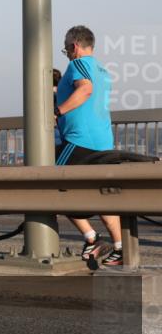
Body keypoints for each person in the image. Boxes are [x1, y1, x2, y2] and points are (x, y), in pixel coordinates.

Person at [55, 25, 123, 266]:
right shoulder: (104, 71)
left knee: (51, 186)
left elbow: (85, 89)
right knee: (101, 194)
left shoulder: (78, 64)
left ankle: (91, 237)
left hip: (79, 140)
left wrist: (57, 111)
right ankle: (119, 247)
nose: (67, 54)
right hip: (103, 142)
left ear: (74, 46)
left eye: (66, 49)